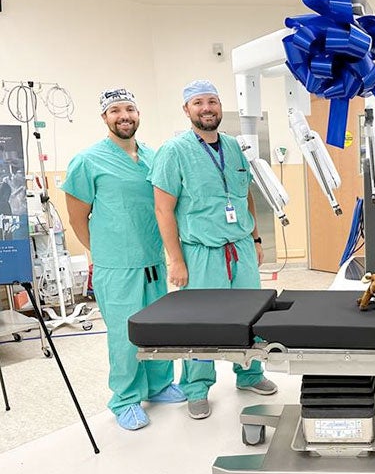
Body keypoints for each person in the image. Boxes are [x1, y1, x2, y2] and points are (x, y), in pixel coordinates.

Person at [151, 79, 277, 420]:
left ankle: (249, 373)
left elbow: (244, 193)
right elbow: (163, 209)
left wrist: (255, 238)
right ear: (187, 110)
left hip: (240, 247)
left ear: (220, 107)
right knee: (201, 323)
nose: (207, 108)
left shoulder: (236, 146)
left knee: (252, 315)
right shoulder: (173, 151)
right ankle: (197, 387)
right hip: (201, 252)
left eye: (212, 102)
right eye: (199, 103)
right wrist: (175, 260)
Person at [62, 88, 186, 431]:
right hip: (116, 267)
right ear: (105, 118)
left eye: (129, 108)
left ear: (138, 114)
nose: (124, 115)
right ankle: (125, 399)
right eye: (115, 110)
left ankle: (160, 385)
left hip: (152, 260)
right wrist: (103, 253)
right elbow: (76, 218)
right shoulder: (88, 161)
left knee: (158, 328)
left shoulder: (153, 156)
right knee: (124, 335)